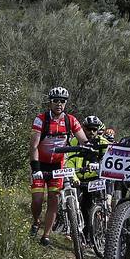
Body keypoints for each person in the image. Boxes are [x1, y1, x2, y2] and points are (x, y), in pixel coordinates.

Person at [30, 87, 88, 246]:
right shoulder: (41, 119)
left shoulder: (71, 120)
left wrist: (90, 148)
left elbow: (83, 140)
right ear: (50, 102)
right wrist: (35, 169)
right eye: (56, 101)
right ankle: (36, 221)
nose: (59, 104)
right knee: (37, 199)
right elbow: (34, 146)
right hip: (41, 164)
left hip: (58, 164)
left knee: (54, 199)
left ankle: (46, 235)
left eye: (62, 101)